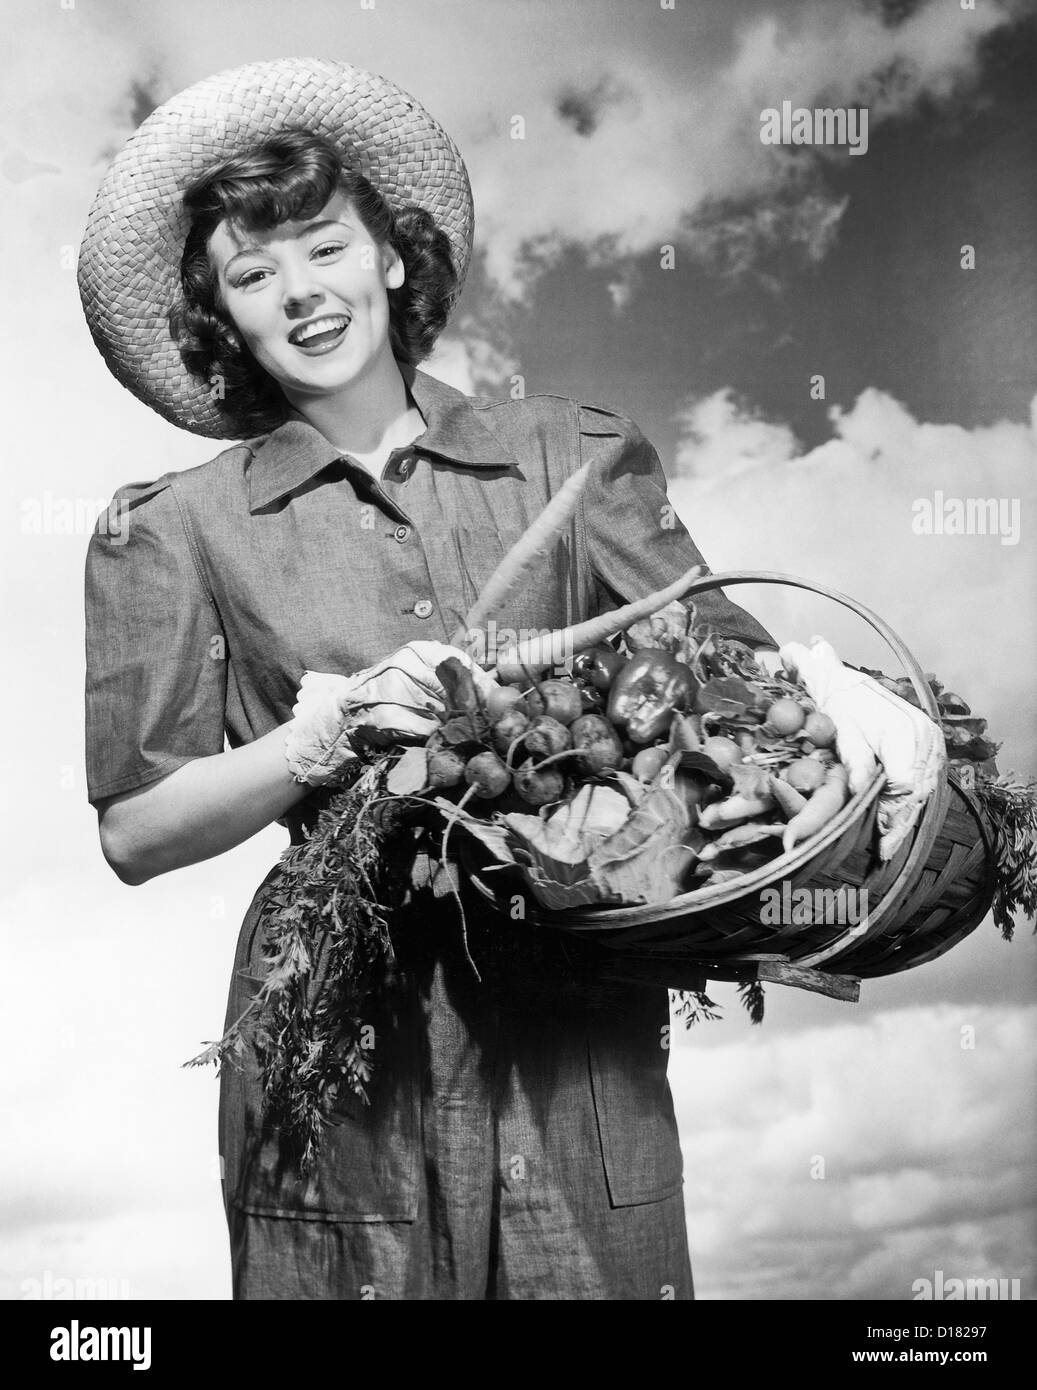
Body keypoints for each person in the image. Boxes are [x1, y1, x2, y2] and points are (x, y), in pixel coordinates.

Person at [81, 58, 777, 1300]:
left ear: (392, 260)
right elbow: (136, 830)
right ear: (221, 318)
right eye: (252, 274)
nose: (299, 293)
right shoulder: (173, 528)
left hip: (572, 1046)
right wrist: (326, 734)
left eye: (323, 247)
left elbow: (734, 684)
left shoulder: (570, 454)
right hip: (341, 1038)